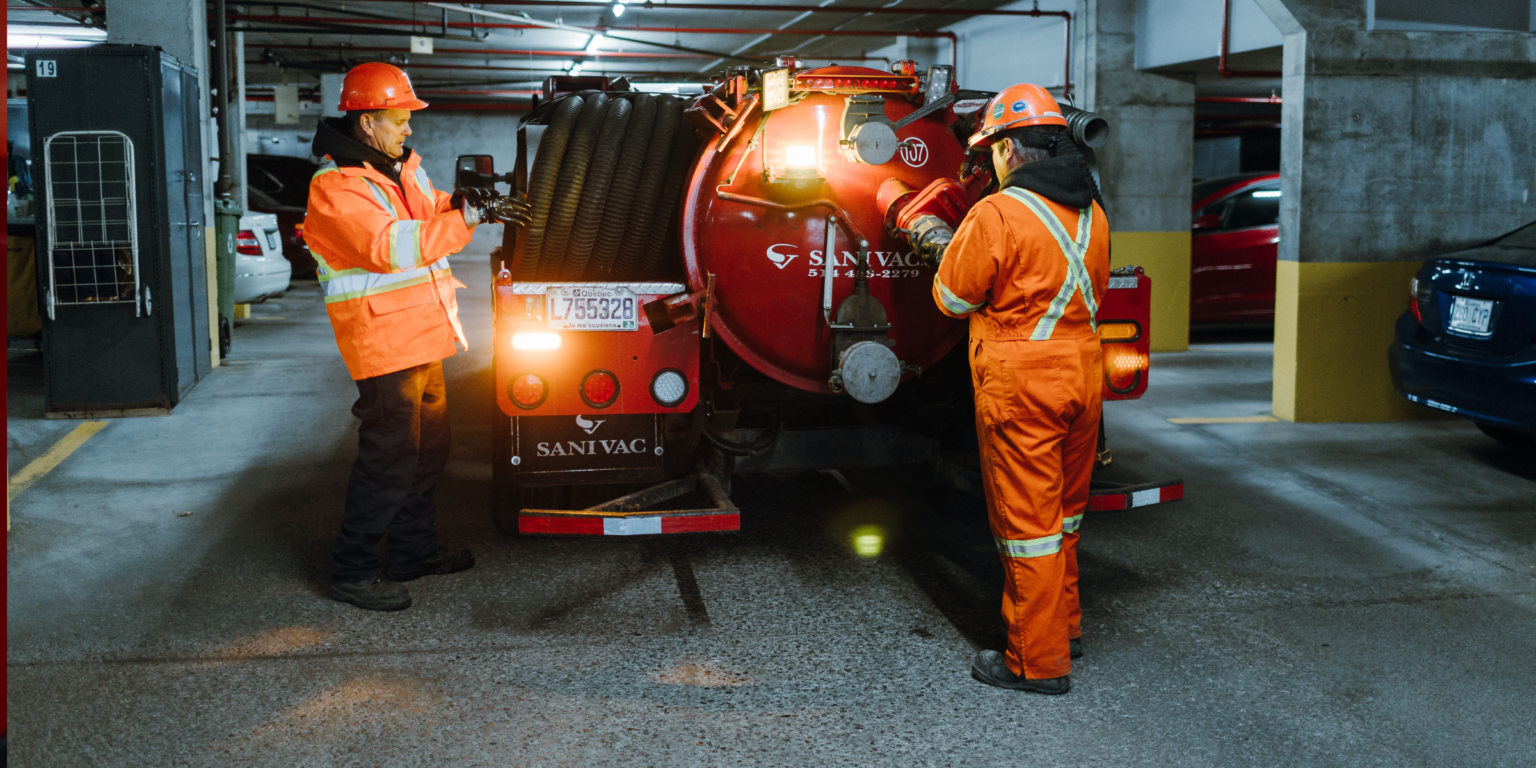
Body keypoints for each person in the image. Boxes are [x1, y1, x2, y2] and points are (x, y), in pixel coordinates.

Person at [304, 62, 527, 611]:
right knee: (390, 457)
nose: (409, 129)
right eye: (399, 120)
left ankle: (412, 552)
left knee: (429, 451)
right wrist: (465, 220)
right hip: (383, 343)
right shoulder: (336, 187)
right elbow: (390, 246)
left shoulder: (403, 171)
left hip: (422, 336)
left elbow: (429, 214)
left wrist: (473, 202)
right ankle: (353, 571)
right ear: (366, 124)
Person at [931, 83, 1110, 693]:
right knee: (1062, 521)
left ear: (1008, 149)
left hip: (1023, 386)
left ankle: (1038, 664)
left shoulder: (997, 213)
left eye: (991, 152)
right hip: (1082, 376)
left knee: (1028, 530)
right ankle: (1065, 628)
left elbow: (952, 299)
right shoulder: (1092, 213)